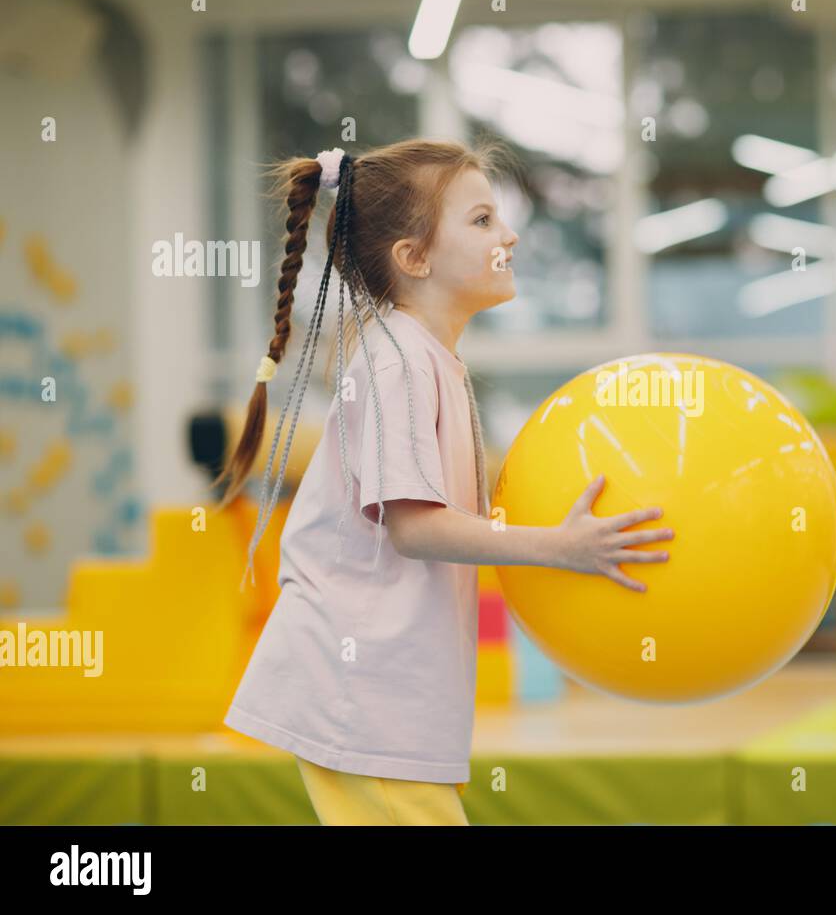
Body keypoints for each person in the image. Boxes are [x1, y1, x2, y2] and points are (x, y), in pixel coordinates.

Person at [214, 139, 673, 824]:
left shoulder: (426, 359)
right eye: (483, 220)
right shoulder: (397, 361)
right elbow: (416, 526)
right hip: (358, 693)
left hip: (384, 697)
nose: (509, 235)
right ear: (415, 258)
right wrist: (563, 547)